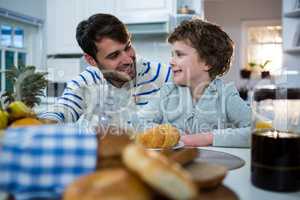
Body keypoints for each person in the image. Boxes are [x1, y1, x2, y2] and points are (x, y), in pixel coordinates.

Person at [132, 18, 251, 147]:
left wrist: (206, 138)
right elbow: (137, 122)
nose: (171, 61)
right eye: (172, 55)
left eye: (179, 55)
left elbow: (257, 131)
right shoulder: (167, 92)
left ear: (207, 62)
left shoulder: (226, 95)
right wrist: (170, 133)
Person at [38, 13, 172, 124]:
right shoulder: (85, 82)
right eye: (114, 55)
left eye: (128, 47)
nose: (128, 60)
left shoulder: (164, 75)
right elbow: (64, 108)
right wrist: (44, 123)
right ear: (91, 60)